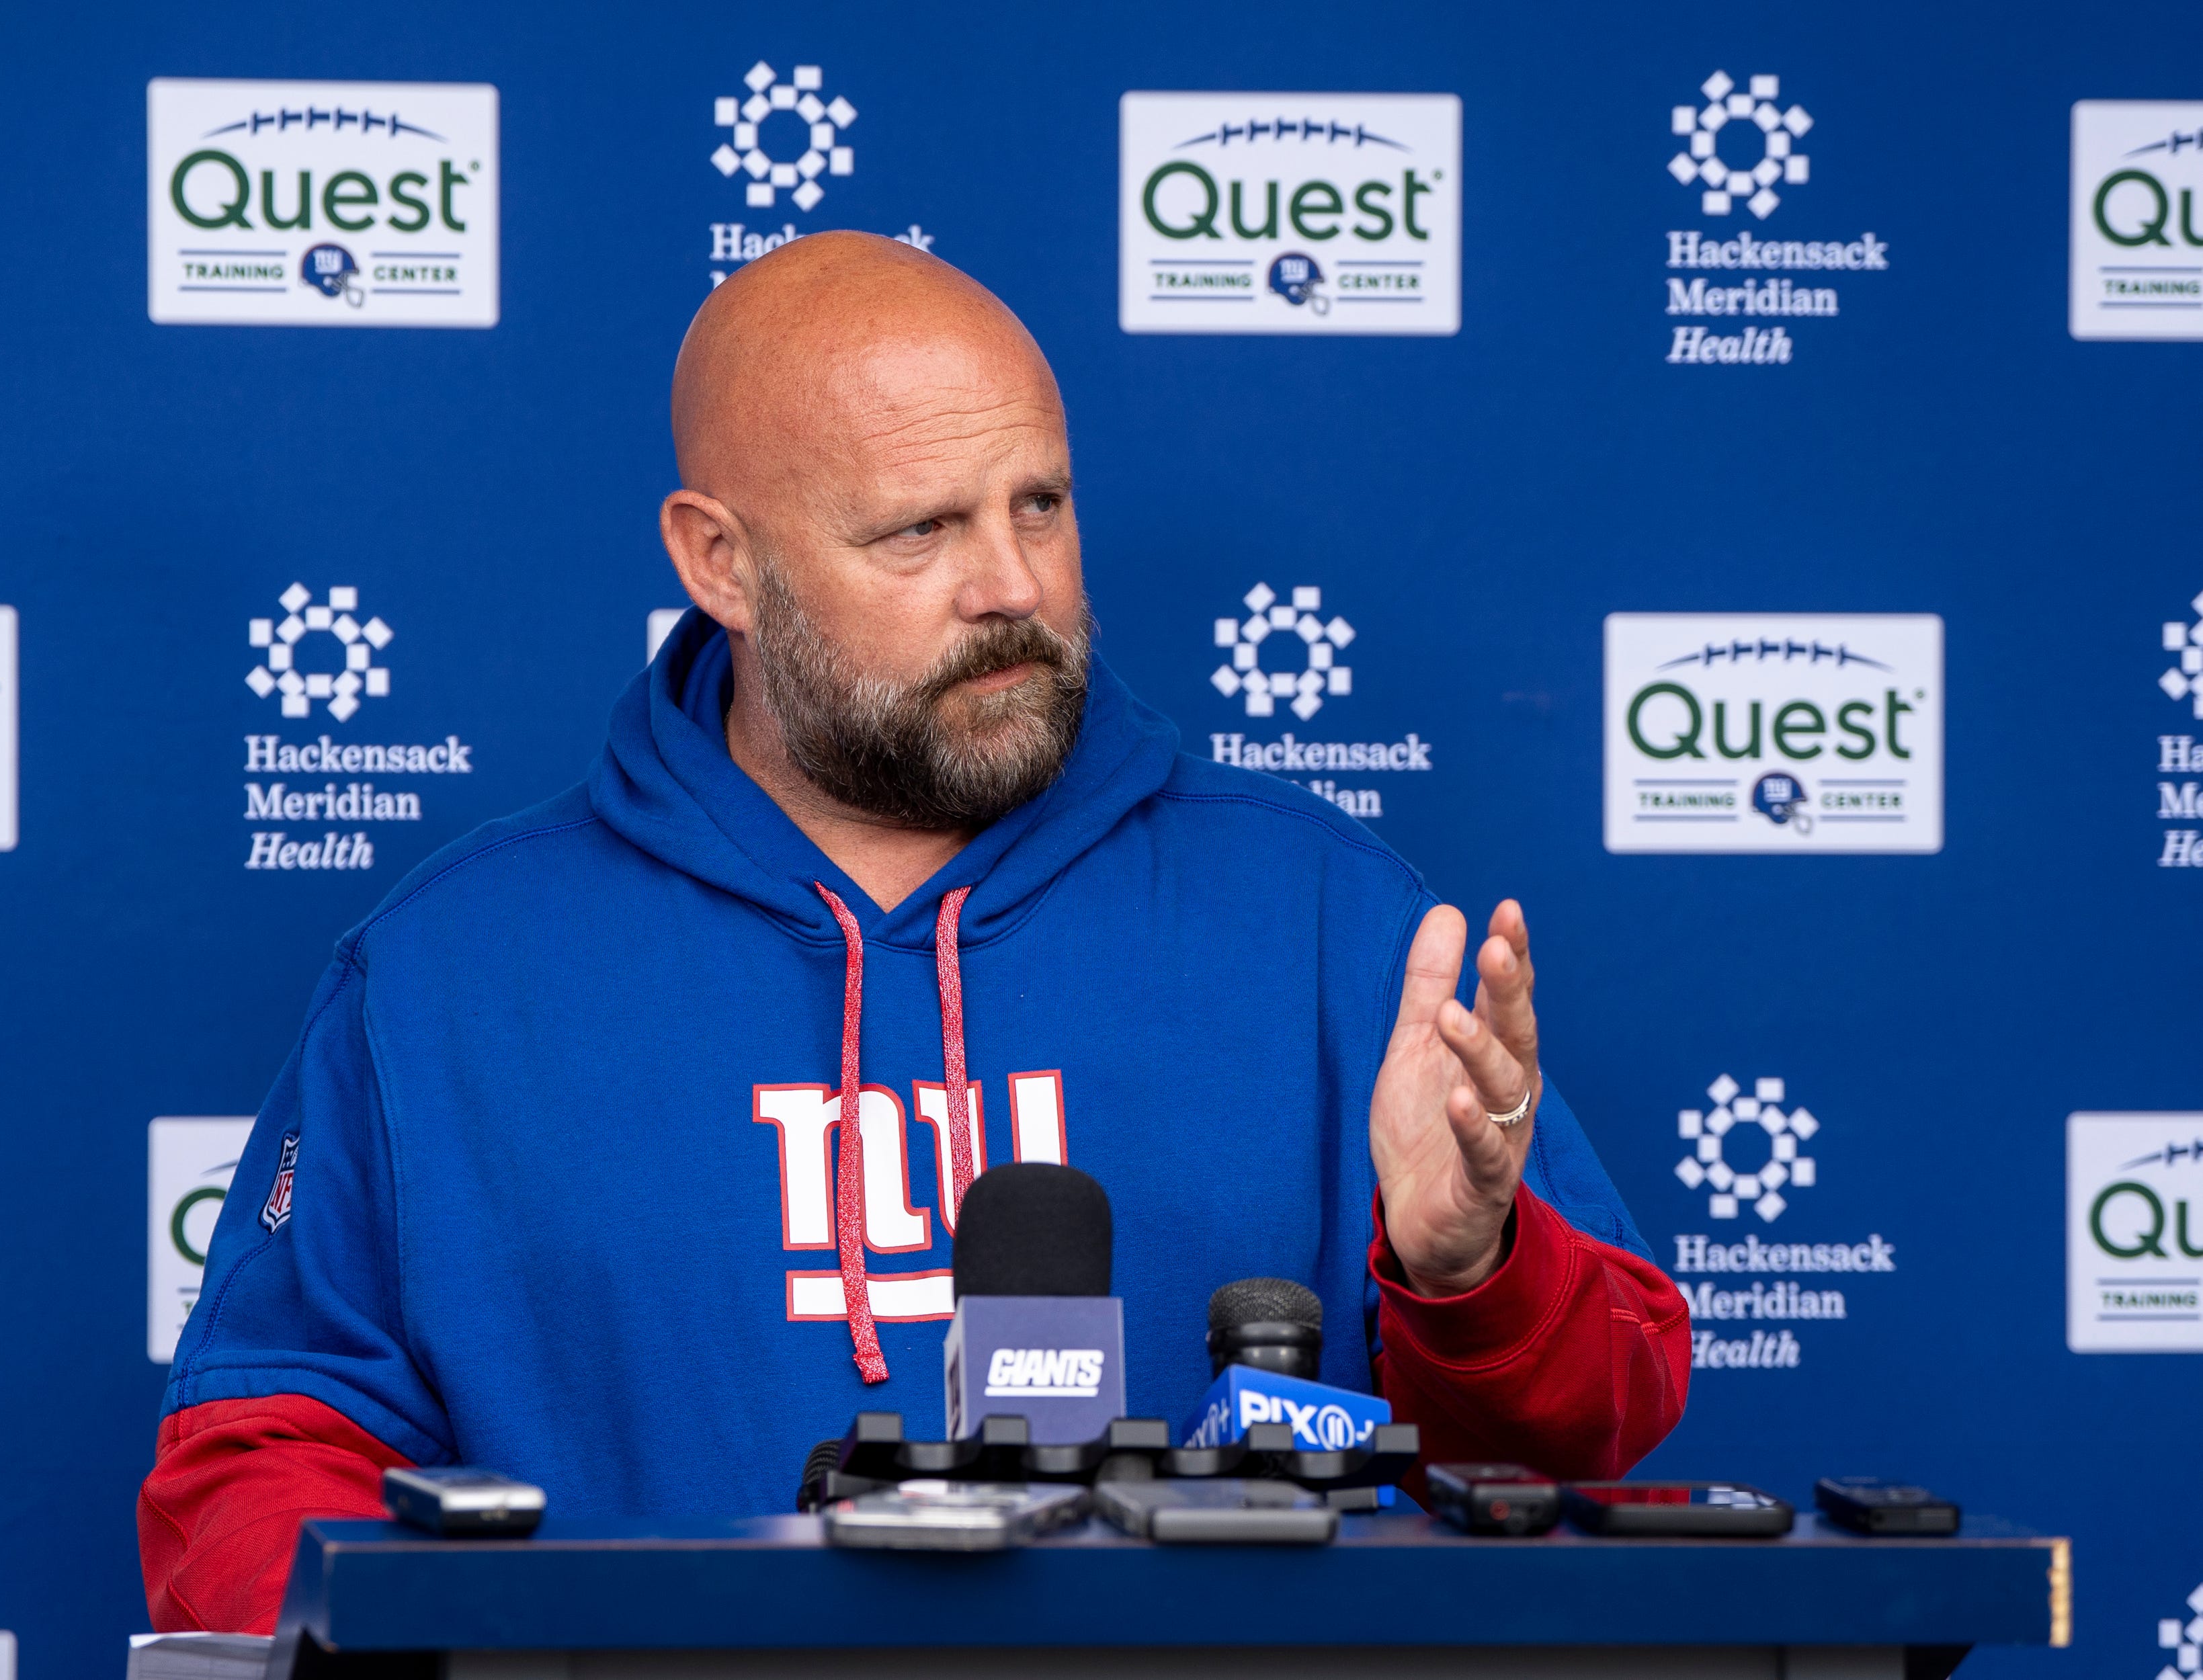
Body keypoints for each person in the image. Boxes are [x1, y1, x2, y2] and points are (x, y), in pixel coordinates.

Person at [139, 233, 1690, 1633]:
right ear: (720, 561)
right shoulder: (450, 977)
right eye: (917, 533)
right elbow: (257, 1461)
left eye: (1042, 505)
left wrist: (1467, 1268)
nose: (1011, 587)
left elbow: (1596, 1428)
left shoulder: (1328, 916)